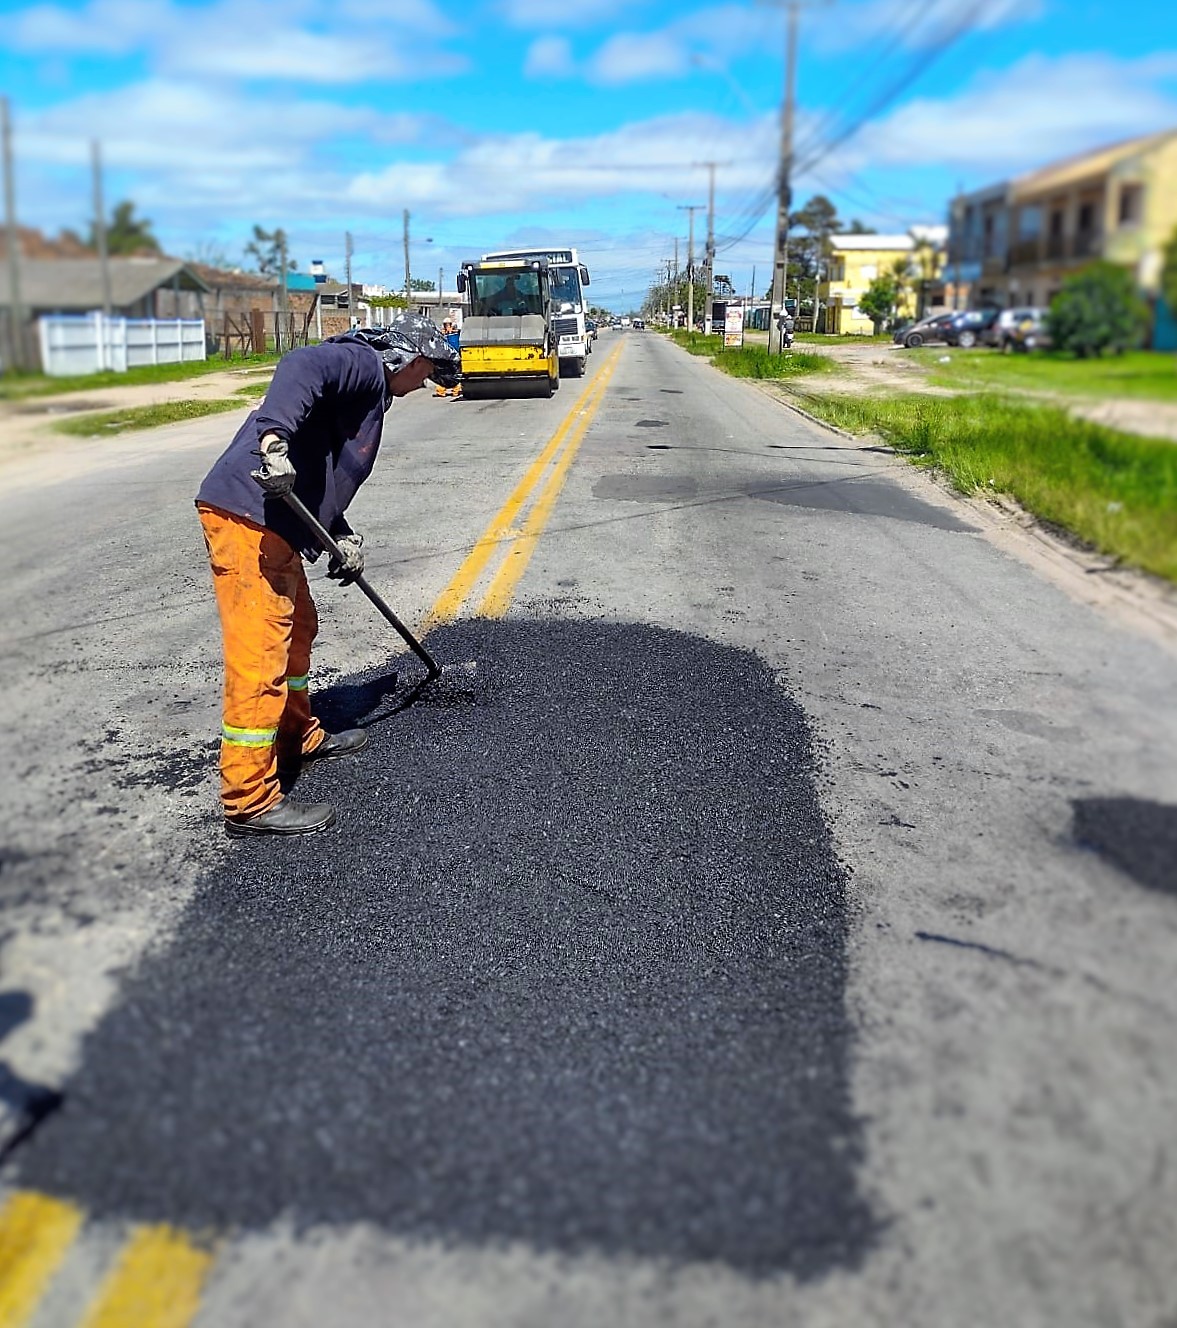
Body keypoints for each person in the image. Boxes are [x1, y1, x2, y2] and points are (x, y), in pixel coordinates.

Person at [194, 315, 461, 838]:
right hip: (247, 517)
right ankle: (248, 798)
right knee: (261, 652)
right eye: (427, 370)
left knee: (299, 630)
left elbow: (319, 473)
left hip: (278, 527)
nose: (425, 383)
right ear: (404, 357)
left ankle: (297, 734)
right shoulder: (361, 361)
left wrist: (338, 534)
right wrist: (273, 442)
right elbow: (302, 364)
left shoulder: (369, 392)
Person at [433, 316, 462, 398]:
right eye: (446, 325)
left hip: (453, 356)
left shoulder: (455, 333)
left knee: (454, 374)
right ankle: (441, 390)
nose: (447, 326)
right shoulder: (441, 335)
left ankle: (456, 390)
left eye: (449, 324)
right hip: (444, 356)